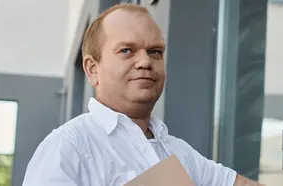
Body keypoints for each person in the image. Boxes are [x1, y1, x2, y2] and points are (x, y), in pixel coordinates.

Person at [22, 3, 263, 186]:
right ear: (92, 69)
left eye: (155, 52)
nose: (145, 61)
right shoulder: (69, 146)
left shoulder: (177, 152)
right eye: (127, 51)